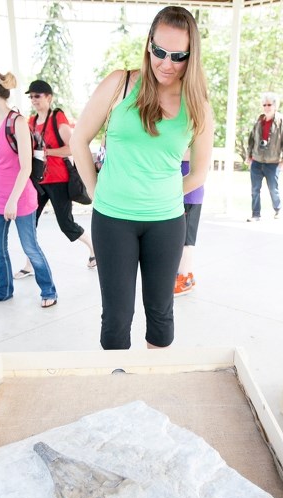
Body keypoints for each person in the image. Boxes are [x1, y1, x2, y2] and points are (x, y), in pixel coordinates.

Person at [70, 6, 214, 350]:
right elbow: (78, 139)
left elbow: (199, 173)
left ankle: (154, 389)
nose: (166, 63)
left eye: (178, 56)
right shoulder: (120, 84)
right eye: (159, 51)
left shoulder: (198, 105)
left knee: (161, 314)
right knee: (117, 317)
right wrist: (96, 190)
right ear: (148, 45)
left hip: (166, 223)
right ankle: (119, 394)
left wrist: (161, 193)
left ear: (191, 56)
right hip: (112, 220)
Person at [0, 69, 58, 308]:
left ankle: (49, 290)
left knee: (30, 247)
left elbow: (25, 167)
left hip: (20, 198)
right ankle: (3, 289)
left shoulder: (17, 122)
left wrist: (12, 200)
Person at [14, 79, 96, 279]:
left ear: (48, 97)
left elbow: (73, 146)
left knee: (66, 224)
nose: (33, 100)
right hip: (38, 181)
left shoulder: (57, 117)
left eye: (37, 96)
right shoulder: (31, 122)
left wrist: (48, 151)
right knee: (29, 222)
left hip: (58, 179)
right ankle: (29, 264)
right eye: (31, 96)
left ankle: (95, 251)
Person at [246, 92, 283, 222]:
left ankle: (278, 209)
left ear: (275, 105)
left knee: (273, 188)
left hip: (273, 161)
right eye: (264, 104)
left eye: (269, 104)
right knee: (254, 190)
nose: (266, 107)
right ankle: (255, 214)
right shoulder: (259, 120)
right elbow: (252, 138)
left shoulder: (281, 120)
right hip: (257, 160)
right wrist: (249, 155)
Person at [173, 148, 205, 296]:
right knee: (180, 239)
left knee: (187, 241)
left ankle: (184, 279)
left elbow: (194, 154)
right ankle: (186, 274)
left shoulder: (195, 135)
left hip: (189, 195)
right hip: (180, 194)